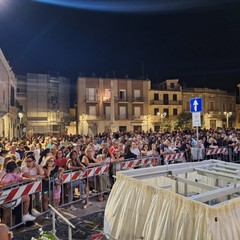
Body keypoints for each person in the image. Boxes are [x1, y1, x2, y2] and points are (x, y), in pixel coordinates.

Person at [1, 160, 36, 225]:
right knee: (27, 198)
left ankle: (3, 230)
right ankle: (25, 214)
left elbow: (22, 179)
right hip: (9, 199)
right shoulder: (8, 176)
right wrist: (11, 183)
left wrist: (31, 179)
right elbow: (2, 185)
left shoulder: (13, 174)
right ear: (14, 168)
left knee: (6, 215)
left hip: (8, 199)